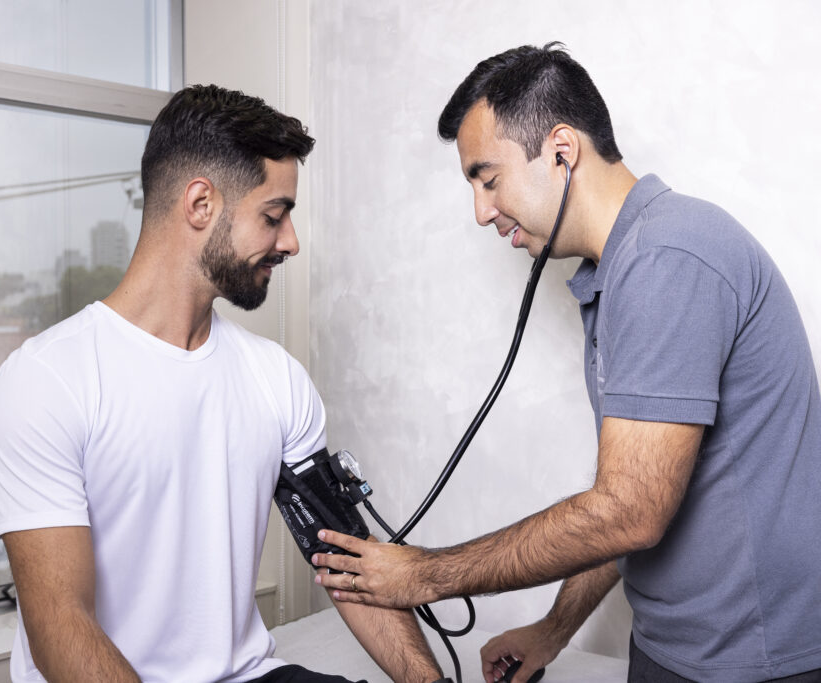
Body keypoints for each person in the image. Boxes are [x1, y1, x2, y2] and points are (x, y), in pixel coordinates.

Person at [312, 43, 821, 683]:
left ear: (561, 150)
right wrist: (552, 632)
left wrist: (425, 574)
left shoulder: (670, 258)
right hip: (676, 648)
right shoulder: (622, 270)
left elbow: (630, 508)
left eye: (488, 178)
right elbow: (635, 495)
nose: (480, 212)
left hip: (752, 664)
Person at [0, 85, 444, 683]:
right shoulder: (48, 380)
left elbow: (346, 562)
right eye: (273, 216)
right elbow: (60, 626)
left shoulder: (277, 379)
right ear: (201, 204)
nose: (291, 242)